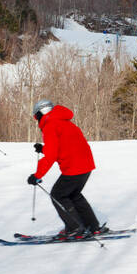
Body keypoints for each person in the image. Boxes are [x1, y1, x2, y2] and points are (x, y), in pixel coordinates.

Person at [26, 99, 103, 239]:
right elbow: (64, 146)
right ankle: (93, 226)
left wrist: (37, 175)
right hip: (85, 165)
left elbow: (51, 156)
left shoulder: (50, 125)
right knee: (74, 195)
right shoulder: (63, 121)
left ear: (42, 113)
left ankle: (75, 228)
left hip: (74, 167)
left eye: (36, 116)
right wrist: (44, 149)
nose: (36, 120)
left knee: (58, 194)